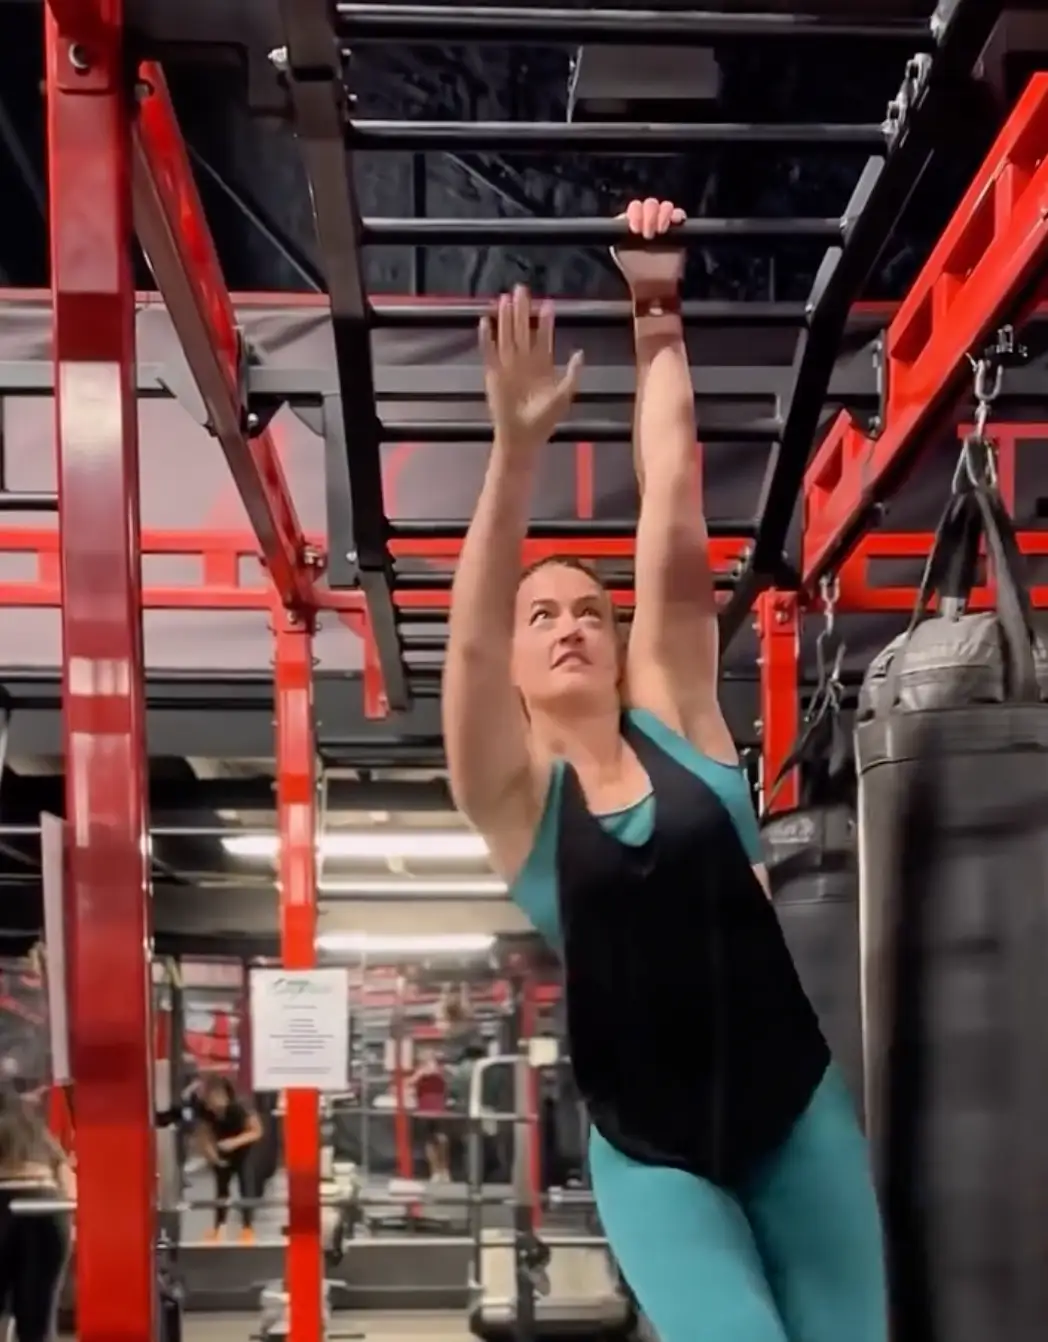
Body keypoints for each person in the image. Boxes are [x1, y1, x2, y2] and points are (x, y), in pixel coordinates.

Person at [442, 196, 888, 1342]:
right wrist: (514, 449)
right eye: (543, 615)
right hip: (652, 1152)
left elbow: (672, 505)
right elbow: (473, 639)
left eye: (589, 607)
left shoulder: (681, 721)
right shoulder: (515, 804)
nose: (570, 624)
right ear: (521, 667)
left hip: (795, 1113)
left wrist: (656, 311)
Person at [0, 1084, 73, 1342]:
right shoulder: (35, 1131)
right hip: (48, 1206)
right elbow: (68, 1179)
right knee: (37, 1328)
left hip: (5, 1203)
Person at [190, 1074, 264, 1244]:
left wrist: (234, 1142)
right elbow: (203, 1134)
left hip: (244, 1147)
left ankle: (247, 1227)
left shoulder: (240, 1106)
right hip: (222, 1147)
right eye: (211, 1099)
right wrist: (212, 1156)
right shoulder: (205, 1110)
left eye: (217, 1098)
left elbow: (257, 1131)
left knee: (246, 1185)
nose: (215, 1105)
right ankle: (218, 1227)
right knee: (221, 1188)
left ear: (226, 1096)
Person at [410, 1048, 450, 1182]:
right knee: (430, 1141)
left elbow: (446, 1080)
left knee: (440, 1139)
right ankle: (436, 1171)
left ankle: (443, 1169)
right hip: (425, 1108)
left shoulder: (441, 1071)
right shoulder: (420, 1073)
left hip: (437, 1109)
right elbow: (410, 1084)